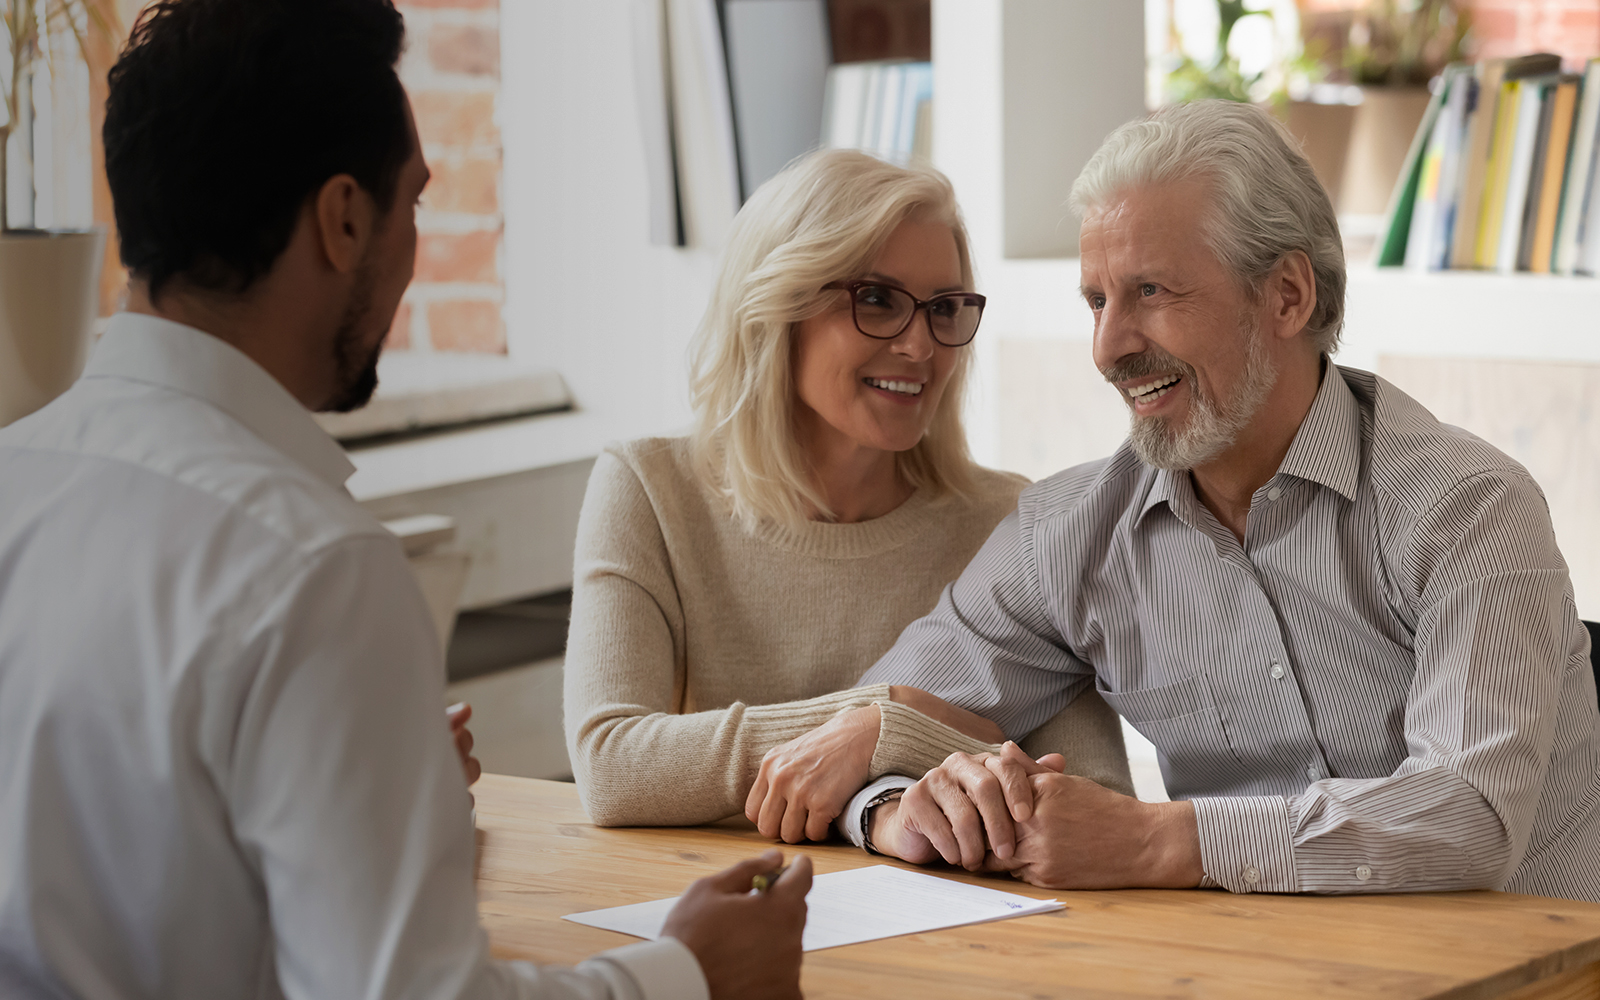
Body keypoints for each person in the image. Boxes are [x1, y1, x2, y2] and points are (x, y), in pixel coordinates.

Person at [0, 2, 812, 997]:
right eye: (415, 204)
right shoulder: (312, 569)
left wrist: (378, 792)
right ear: (344, 219)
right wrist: (686, 972)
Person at [760, 99, 1600, 902]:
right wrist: (899, 809)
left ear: (1287, 297)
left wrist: (1153, 840)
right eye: (1097, 300)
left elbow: (1470, 819)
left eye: (1152, 293)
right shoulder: (1069, 538)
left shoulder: (1469, 509)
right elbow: (846, 743)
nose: (1109, 346)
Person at [562, 149, 1131, 842]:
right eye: (877, 300)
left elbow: (1090, 795)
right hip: (724, 912)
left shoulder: (1013, 523)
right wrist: (895, 708)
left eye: (944, 309)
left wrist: (875, 738)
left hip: (961, 934)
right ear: (776, 309)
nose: (922, 347)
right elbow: (613, 765)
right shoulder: (650, 490)